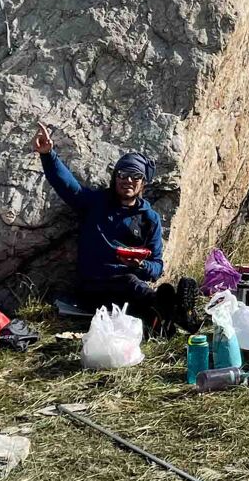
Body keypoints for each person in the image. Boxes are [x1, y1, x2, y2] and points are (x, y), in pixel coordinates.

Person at [33, 123, 193, 329]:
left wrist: (140, 265)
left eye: (136, 176)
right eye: (123, 174)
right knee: (133, 286)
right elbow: (66, 185)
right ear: (115, 177)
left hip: (131, 287)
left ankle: (170, 317)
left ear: (143, 183)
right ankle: (176, 313)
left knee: (137, 293)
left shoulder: (149, 218)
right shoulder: (94, 204)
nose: (128, 180)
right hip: (94, 287)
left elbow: (156, 267)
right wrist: (48, 155)